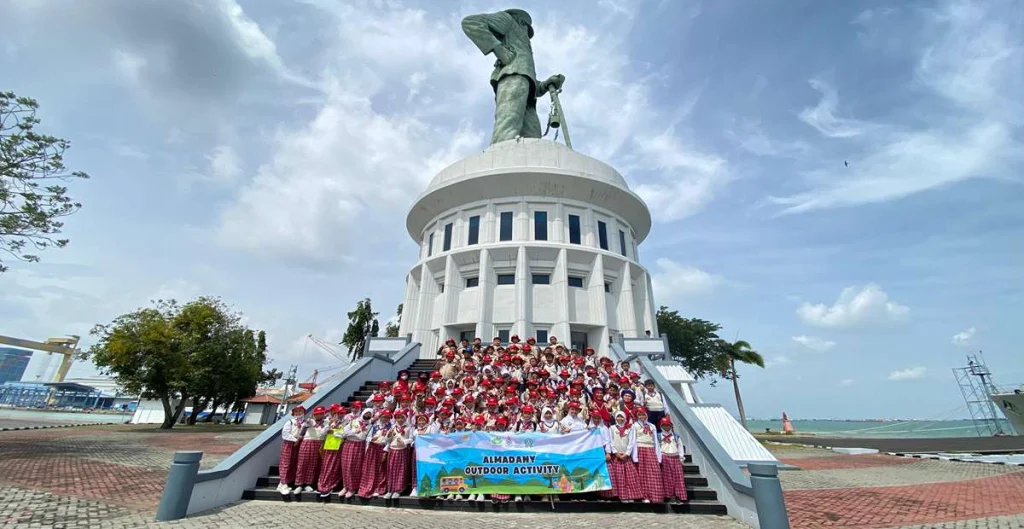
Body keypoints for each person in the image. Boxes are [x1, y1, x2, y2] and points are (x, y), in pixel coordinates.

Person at [605, 411, 642, 502]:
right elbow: (611, 441)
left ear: (625, 418)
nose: (620, 419)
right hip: (617, 456)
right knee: (619, 477)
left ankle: (631, 495)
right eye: (618, 417)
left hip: (626, 456)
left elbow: (631, 441)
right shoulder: (612, 428)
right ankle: (622, 496)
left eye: (622, 417)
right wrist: (616, 453)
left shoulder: (629, 428)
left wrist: (627, 453)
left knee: (630, 477)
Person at [293, 405, 329, 494]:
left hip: (318, 443)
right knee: (302, 464)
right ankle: (299, 484)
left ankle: (307, 483)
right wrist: (298, 439)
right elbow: (302, 431)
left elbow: (325, 434)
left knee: (312, 465)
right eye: (317, 414)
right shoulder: (310, 421)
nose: (319, 416)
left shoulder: (326, 422)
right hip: (307, 442)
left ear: (324, 414)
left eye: (321, 414)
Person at [631, 407, 664, 503]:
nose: (642, 417)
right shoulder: (635, 426)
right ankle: (645, 496)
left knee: (654, 473)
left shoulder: (652, 426)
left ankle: (655, 495)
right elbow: (633, 440)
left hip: (651, 449)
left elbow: (656, 441)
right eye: (640, 415)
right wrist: (635, 455)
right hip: (640, 449)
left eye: (643, 415)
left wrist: (658, 456)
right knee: (642, 474)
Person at [339, 408, 372, 499]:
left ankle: (352, 488)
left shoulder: (369, 425)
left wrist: (352, 434)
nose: (368, 415)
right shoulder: (354, 421)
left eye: (370, 414)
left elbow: (362, 437)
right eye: (367, 413)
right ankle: (346, 486)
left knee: (354, 467)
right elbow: (345, 432)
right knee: (345, 465)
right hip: (348, 444)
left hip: (358, 446)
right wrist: (354, 432)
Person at [359, 409, 392, 498]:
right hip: (373, 448)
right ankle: (368, 487)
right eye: (384, 417)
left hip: (382, 448)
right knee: (370, 468)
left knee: (381, 469)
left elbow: (390, 440)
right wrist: (371, 439)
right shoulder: (374, 425)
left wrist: (386, 451)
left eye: (387, 417)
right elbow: (367, 436)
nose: (385, 419)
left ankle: (379, 488)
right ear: (380, 417)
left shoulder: (391, 427)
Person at [316, 403, 346, 498]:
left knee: (334, 467)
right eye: (335, 412)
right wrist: (328, 427)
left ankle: (330, 485)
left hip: (339, 447)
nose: (336, 414)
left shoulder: (347, 422)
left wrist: (336, 432)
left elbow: (345, 435)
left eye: (339, 413)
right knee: (326, 466)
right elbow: (321, 434)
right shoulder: (329, 421)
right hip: (329, 446)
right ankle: (322, 485)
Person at [384, 410, 414, 499]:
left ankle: (398, 490)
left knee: (401, 471)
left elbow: (411, 439)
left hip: (402, 450)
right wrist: (388, 436)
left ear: (405, 418)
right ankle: (390, 489)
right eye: (398, 417)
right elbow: (387, 440)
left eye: (402, 417)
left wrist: (404, 441)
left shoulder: (408, 428)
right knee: (391, 470)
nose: (400, 419)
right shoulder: (393, 427)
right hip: (393, 450)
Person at [658, 416, 688, 503]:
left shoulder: (675, 436)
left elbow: (680, 447)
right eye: (664, 425)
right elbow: (658, 447)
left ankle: (680, 495)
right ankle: (669, 495)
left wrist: (681, 458)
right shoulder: (659, 436)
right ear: (661, 426)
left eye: (668, 425)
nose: (666, 427)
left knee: (678, 478)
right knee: (667, 478)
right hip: (665, 457)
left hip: (675, 457)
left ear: (671, 426)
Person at [277, 405, 305, 495]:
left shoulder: (305, 422)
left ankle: (284, 482)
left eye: (300, 411)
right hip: (289, 443)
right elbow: (285, 434)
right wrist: (295, 439)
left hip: (299, 443)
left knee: (294, 463)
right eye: (296, 412)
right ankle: (283, 483)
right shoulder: (290, 422)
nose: (298, 413)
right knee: (286, 463)